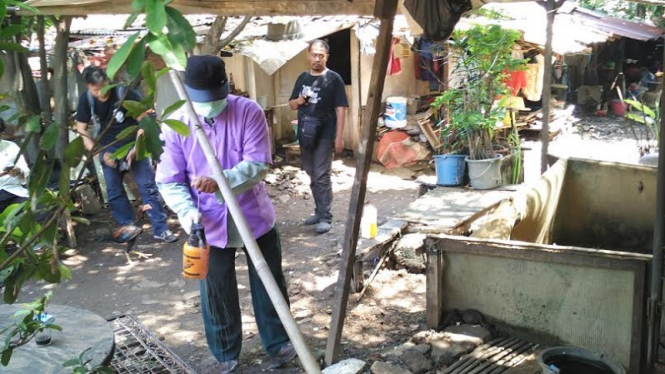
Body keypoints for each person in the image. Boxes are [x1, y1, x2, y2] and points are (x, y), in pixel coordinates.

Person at [156, 55, 296, 374]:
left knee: (269, 279)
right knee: (215, 287)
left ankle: (277, 342)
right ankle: (225, 353)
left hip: (252, 214)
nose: (209, 106)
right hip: (205, 222)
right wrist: (188, 212)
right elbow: (169, 179)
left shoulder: (249, 112)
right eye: (201, 100)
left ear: (226, 87)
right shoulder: (176, 121)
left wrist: (220, 181)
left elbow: (258, 164)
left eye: (215, 99)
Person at [75, 66, 176, 243]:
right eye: (95, 90)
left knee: (147, 188)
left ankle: (161, 229)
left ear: (108, 82)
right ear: (88, 87)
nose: (100, 93)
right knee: (114, 191)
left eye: (102, 87)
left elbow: (144, 122)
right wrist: (99, 154)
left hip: (134, 143)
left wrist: (136, 148)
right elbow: (81, 129)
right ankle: (128, 227)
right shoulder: (87, 99)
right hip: (108, 149)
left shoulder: (125, 93)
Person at [289, 39, 348, 234]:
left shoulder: (334, 79)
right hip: (306, 133)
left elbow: (341, 109)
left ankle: (325, 217)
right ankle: (318, 210)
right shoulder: (302, 78)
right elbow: (292, 104)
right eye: (314, 54)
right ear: (308, 55)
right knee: (312, 173)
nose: (317, 58)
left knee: (322, 174)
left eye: (321, 55)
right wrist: (298, 100)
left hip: (326, 133)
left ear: (326, 57)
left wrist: (339, 137)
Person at [0, 119, 30, 215]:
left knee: (30, 210)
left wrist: (19, 171)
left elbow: (25, 170)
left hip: (13, 191)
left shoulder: (11, 146)